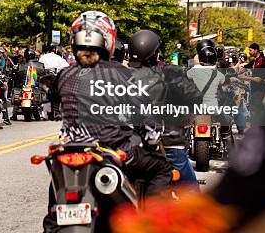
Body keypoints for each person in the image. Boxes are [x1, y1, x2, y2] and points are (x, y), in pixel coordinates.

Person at [46, 12, 173, 228]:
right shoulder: (122, 74)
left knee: (57, 184)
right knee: (161, 168)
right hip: (112, 150)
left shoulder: (64, 74)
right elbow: (147, 118)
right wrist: (152, 137)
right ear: (108, 41)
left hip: (70, 151)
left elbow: (51, 107)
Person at [127, 29, 201, 191]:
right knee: (193, 198)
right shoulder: (169, 72)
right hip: (168, 145)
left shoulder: (121, 75)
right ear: (156, 53)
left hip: (131, 148)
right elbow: (195, 97)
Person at [240, 43, 265, 125]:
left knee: (254, 103)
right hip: (254, 86)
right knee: (255, 103)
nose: (249, 52)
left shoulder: (262, 59)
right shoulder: (254, 61)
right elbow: (246, 67)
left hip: (260, 86)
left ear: (256, 50)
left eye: (250, 50)